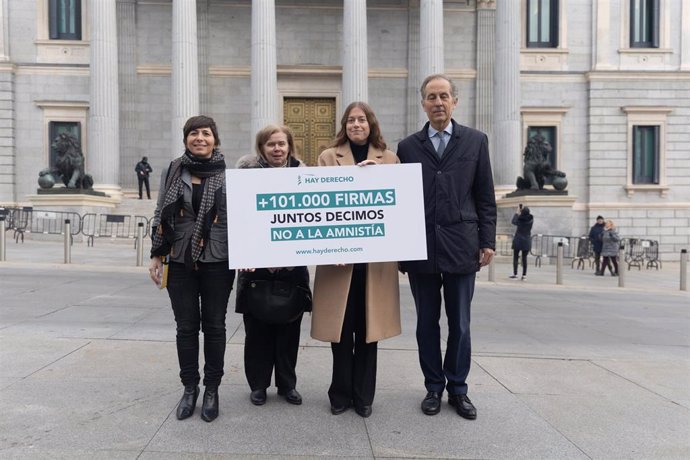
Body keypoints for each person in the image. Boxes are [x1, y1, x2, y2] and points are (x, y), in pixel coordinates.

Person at [396, 74, 496, 420]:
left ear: (455, 101)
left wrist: (488, 240)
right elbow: (399, 200)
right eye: (431, 97)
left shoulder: (475, 141)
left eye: (443, 96)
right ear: (422, 103)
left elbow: (485, 195)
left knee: (461, 324)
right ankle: (433, 387)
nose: (437, 102)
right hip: (420, 247)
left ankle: (458, 389)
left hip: (461, 246)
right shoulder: (407, 147)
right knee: (426, 323)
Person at [311, 101, 401, 418]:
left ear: (371, 123)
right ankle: (340, 393)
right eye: (350, 120)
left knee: (368, 332)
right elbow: (319, 207)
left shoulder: (390, 159)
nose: (356, 125)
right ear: (344, 125)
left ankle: (364, 396)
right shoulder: (327, 157)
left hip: (374, 265)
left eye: (361, 119)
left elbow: (397, 204)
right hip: (339, 262)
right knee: (341, 331)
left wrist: (380, 176)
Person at [148, 115, 235, 423]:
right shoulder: (173, 170)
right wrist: (156, 254)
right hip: (180, 257)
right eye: (194, 133)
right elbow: (161, 211)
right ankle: (189, 388)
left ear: (215, 139)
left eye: (206, 133)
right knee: (186, 327)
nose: (200, 138)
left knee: (214, 326)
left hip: (218, 258)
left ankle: (212, 389)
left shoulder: (230, 174)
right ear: (186, 139)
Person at [234, 125, 312, 407]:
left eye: (282, 144)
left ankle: (287, 385)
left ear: (290, 146)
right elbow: (239, 220)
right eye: (271, 145)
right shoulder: (245, 178)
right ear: (261, 148)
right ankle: (258, 385)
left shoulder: (304, 178)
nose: (277, 149)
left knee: (289, 331)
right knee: (257, 333)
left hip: (292, 269)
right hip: (256, 269)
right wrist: (247, 254)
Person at [510, 205, 533, 280]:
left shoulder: (520, 219)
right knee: (524, 258)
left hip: (518, 239)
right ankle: (524, 275)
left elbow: (513, 221)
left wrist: (517, 213)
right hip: (526, 240)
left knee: (516, 257)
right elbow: (526, 216)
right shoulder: (531, 219)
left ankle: (515, 274)